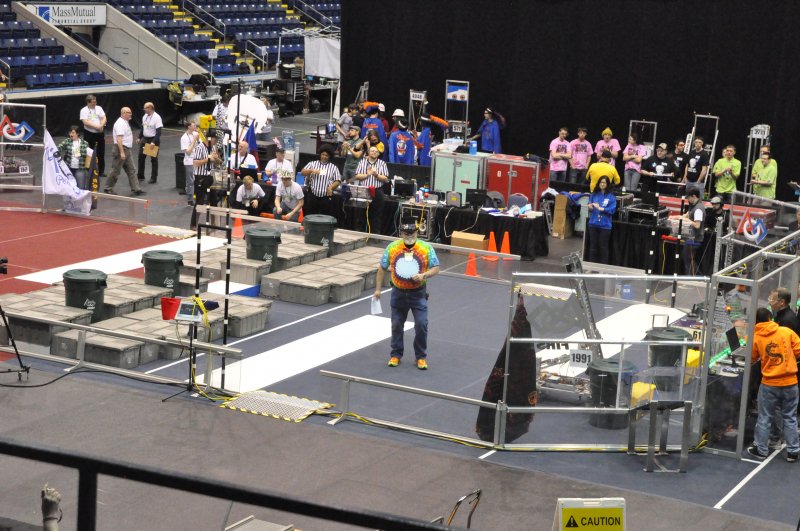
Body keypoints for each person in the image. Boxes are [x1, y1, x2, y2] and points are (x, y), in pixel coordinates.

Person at [375, 220, 440, 370]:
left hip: (418, 294)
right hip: (398, 293)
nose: (409, 235)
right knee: (396, 325)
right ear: (401, 233)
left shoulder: (426, 248)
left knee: (422, 324)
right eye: (406, 233)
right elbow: (381, 268)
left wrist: (423, 275)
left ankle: (421, 357)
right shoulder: (392, 247)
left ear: (417, 232)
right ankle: (396, 354)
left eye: (412, 233)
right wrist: (378, 289)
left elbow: (436, 268)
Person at [747, 306, 800, 462]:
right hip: (791, 382)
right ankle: (793, 452)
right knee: (790, 418)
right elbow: (799, 351)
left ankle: (761, 450)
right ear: (770, 318)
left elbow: (751, 357)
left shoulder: (756, 337)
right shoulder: (786, 331)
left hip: (769, 384)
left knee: (765, 417)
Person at [104, 107, 145, 196]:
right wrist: (122, 152)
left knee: (131, 169)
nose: (131, 114)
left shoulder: (125, 122)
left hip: (127, 149)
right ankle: (108, 188)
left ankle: (136, 189)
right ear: (124, 113)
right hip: (121, 149)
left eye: (130, 112)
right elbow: (119, 139)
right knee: (115, 170)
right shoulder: (120, 123)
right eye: (129, 112)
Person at [354, 145, 390, 231]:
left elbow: (385, 179)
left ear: (378, 154)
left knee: (377, 214)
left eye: (376, 151)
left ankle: (375, 235)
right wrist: (367, 175)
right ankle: (360, 233)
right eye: (372, 151)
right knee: (361, 214)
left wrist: (376, 175)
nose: (374, 152)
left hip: (377, 191)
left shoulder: (382, 163)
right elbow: (357, 176)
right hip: (364, 190)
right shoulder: (362, 162)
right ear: (368, 152)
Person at [301, 144, 341, 216]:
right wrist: (311, 170)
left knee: (325, 216)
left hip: (326, 195)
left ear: (329, 156)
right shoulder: (312, 164)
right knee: (310, 215)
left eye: (326, 155)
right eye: (323, 154)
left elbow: (338, 180)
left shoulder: (333, 167)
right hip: (313, 193)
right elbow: (302, 172)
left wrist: (331, 187)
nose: (324, 157)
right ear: (320, 154)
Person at [586, 175, 616, 264]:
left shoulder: (611, 197)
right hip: (593, 223)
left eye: (604, 183)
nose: (602, 184)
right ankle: (591, 266)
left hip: (605, 226)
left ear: (607, 184)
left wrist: (601, 208)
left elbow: (612, 210)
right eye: (601, 182)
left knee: (603, 247)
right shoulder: (594, 194)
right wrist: (590, 207)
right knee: (593, 247)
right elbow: (590, 208)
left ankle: (603, 267)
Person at [57, 125, 93, 190]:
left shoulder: (85, 143)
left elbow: (88, 156)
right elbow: (59, 147)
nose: (71, 134)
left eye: (73, 133)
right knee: (69, 187)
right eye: (70, 132)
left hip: (80, 169)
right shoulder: (67, 141)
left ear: (77, 133)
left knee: (80, 187)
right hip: (69, 169)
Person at [79, 94, 106, 176]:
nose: (95, 103)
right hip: (89, 133)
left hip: (99, 133)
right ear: (88, 102)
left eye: (95, 102)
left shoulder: (99, 108)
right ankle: (89, 171)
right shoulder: (84, 110)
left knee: (101, 152)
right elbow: (85, 122)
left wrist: (101, 125)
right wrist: (96, 126)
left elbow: (104, 118)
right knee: (89, 152)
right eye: (93, 102)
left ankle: (101, 171)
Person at [190, 132, 212, 229]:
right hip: (200, 178)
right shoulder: (200, 148)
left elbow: (216, 162)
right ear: (209, 138)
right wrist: (208, 159)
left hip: (210, 177)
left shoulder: (213, 148)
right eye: (215, 139)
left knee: (213, 201)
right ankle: (193, 224)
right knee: (199, 201)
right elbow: (195, 163)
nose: (216, 141)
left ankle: (213, 225)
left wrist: (216, 159)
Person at [136, 102, 163, 184]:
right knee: (141, 157)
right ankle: (140, 175)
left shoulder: (157, 117)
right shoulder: (145, 116)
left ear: (150, 108)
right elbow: (143, 128)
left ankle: (153, 178)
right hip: (144, 139)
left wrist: (153, 142)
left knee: (153, 160)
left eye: (145, 108)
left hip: (152, 139)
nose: (144, 109)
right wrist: (139, 137)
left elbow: (158, 132)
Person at [681, 188, 705, 275]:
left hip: (695, 239)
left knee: (688, 258)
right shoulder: (693, 206)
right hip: (691, 237)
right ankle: (694, 276)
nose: (688, 199)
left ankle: (697, 276)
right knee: (687, 258)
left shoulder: (698, 209)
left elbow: (697, 225)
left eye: (688, 197)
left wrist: (687, 220)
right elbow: (686, 215)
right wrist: (675, 217)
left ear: (694, 196)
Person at [180, 121, 198, 202]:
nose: (195, 127)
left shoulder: (195, 134)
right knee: (190, 181)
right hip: (189, 161)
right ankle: (190, 200)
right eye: (193, 125)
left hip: (196, 160)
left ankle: (196, 196)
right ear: (189, 127)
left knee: (196, 179)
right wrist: (194, 141)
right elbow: (188, 152)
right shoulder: (184, 138)